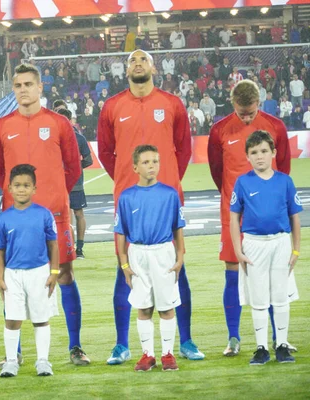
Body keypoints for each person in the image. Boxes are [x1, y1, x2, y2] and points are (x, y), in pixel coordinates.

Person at [98, 49, 202, 365]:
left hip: (166, 199)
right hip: (129, 202)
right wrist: (127, 183)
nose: (138, 63)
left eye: (143, 59)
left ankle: (185, 341)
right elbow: (106, 153)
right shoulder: (112, 107)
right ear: (126, 69)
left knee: (176, 271)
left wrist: (168, 183)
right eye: (132, 60)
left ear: (153, 67)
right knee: (125, 271)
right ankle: (121, 345)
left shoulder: (171, 104)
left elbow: (184, 149)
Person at [0, 63, 86, 366]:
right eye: (18, 85)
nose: (23, 90)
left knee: (66, 273)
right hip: (16, 218)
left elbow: (72, 167)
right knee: (11, 280)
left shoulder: (58, 124)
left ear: (40, 87)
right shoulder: (2, 126)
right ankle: (13, 354)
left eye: (29, 84)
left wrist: (54, 195)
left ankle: (75, 347)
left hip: (54, 214)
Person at [208, 80, 292, 357]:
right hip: (234, 212)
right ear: (232, 104)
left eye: (251, 111)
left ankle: (277, 339)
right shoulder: (219, 130)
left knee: (270, 275)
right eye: (241, 112)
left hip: (269, 214)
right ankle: (233, 337)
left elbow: (284, 169)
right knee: (232, 270)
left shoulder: (275, 126)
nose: (246, 117)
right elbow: (217, 171)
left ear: (259, 102)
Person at [229, 130, 301, 365]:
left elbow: (295, 218)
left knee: (280, 297)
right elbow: (233, 218)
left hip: (280, 243)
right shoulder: (243, 182)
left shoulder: (285, 181)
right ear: (247, 156)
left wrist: (296, 249)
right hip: (253, 244)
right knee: (258, 299)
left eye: (263, 151)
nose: (259, 156)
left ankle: (281, 344)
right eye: (253, 153)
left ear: (273, 153)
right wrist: (239, 251)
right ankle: (261, 348)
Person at [114, 145, 185, 372]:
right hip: (138, 254)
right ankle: (148, 355)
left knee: (166, 307)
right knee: (143, 307)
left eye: (155, 161)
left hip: (164, 252)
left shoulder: (170, 194)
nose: (151, 165)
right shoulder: (127, 197)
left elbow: (178, 229)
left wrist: (180, 256)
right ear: (135, 167)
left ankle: (167, 354)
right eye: (145, 162)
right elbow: (121, 234)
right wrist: (124, 264)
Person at [0, 164, 59, 378]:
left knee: (41, 318)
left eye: (26, 185)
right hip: (13, 275)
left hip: (40, 273)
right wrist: (0, 277)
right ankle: (11, 361)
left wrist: (54, 272)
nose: (21, 189)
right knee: (12, 319)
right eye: (17, 185)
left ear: (34, 189)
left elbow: (53, 244)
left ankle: (43, 361)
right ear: (9, 189)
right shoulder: (4, 218)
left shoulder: (44, 214)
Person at [54, 105, 92, 259]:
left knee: (66, 214)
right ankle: (77, 249)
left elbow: (88, 160)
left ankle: (71, 248)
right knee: (76, 214)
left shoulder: (58, 136)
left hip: (63, 182)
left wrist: (72, 168)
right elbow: (88, 160)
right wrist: (75, 168)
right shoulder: (78, 138)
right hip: (70, 182)